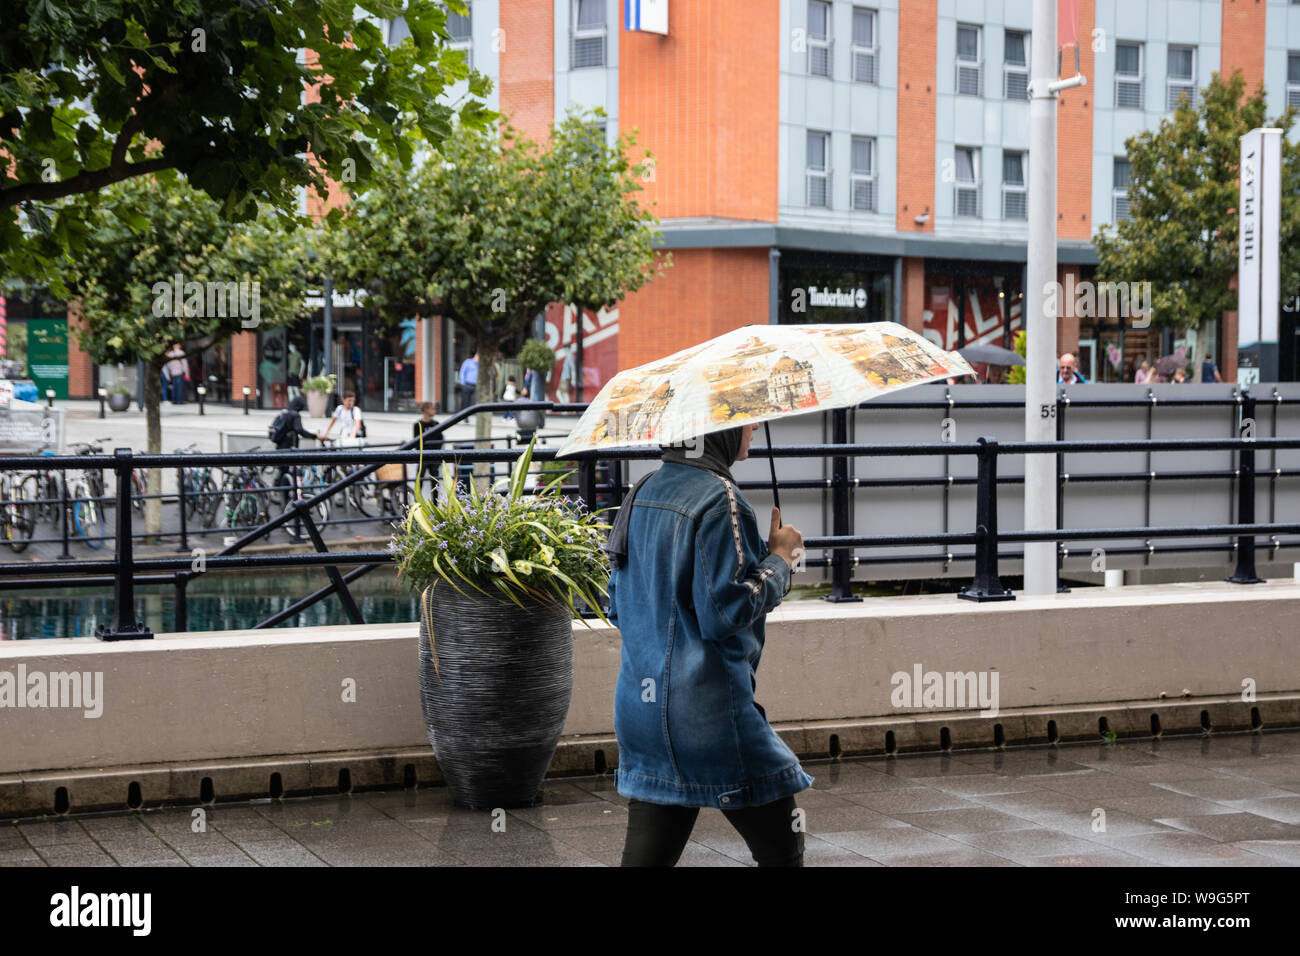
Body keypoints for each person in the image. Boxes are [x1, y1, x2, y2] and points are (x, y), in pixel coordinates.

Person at [607, 425, 812, 867]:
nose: (754, 426)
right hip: (710, 716)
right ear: (716, 429)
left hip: (641, 713)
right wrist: (781, 559)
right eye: (745, 418)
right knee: (783, 846)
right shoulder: (721, 498)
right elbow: (726, 611)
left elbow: (618, 605)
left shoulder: (640, 491)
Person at [270, 395, 321, 505]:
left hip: (280, 446)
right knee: (289, 471)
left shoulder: (285, 413)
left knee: (283, 470)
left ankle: (280, 491)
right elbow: (299, 430)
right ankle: (285, 496)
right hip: (290, 447)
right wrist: (315, 436)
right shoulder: (295, 415)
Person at [412, 402, 442, 495]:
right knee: (419, 480)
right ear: (425, 410)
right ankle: (417, 503)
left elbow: (440, 439)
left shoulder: (436, 424)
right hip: (423, 456)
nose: (434, 411)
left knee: (435, 481)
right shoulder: (418, 425)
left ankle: (436, 504)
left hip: (434, 456)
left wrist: (437, 454)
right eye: (432, 409)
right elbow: (416, 441)